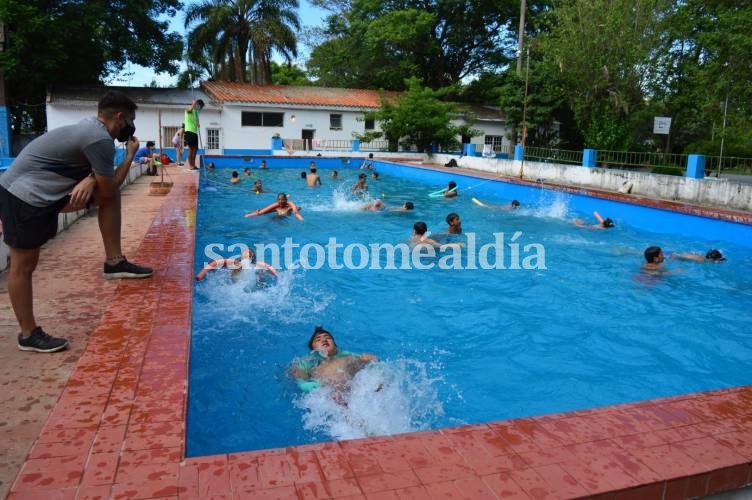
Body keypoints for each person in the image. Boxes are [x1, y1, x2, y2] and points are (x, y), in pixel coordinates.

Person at [0, 90, 153, 353]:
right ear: (119, 117)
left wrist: (92, 177)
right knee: (23, 263)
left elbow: (103, 184)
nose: (131, 125)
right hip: (24, 195)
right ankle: (28, 334)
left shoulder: (92, 130)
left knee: (111, 196)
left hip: (46, 191)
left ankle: (114, 262)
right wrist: (129, 156)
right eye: (129, 119)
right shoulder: (99, 140)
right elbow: (107, 188)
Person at [290, 326, 379, 395]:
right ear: (313, 348)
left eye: (327, 337)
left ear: (335, 345)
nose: (324, 340)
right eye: (318, 339)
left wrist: (370, 359)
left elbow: (375, 363)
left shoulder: (347, 357)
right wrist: (318, 387)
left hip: (352, 392)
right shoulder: (307, 363)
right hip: (329, 395)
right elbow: (300, 381)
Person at [184, 99, 204, 170]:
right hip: (189, 131)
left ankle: (193, 164)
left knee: (195, 149)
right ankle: (190, 165)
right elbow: (189, 111)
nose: (200, 108)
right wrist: (193, 104)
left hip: (195, 132)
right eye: (199, 106)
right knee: (191, 149)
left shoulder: (196, 112)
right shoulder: (189, 108)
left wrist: (198, 123)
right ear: (196, 104)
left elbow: (196, 121)